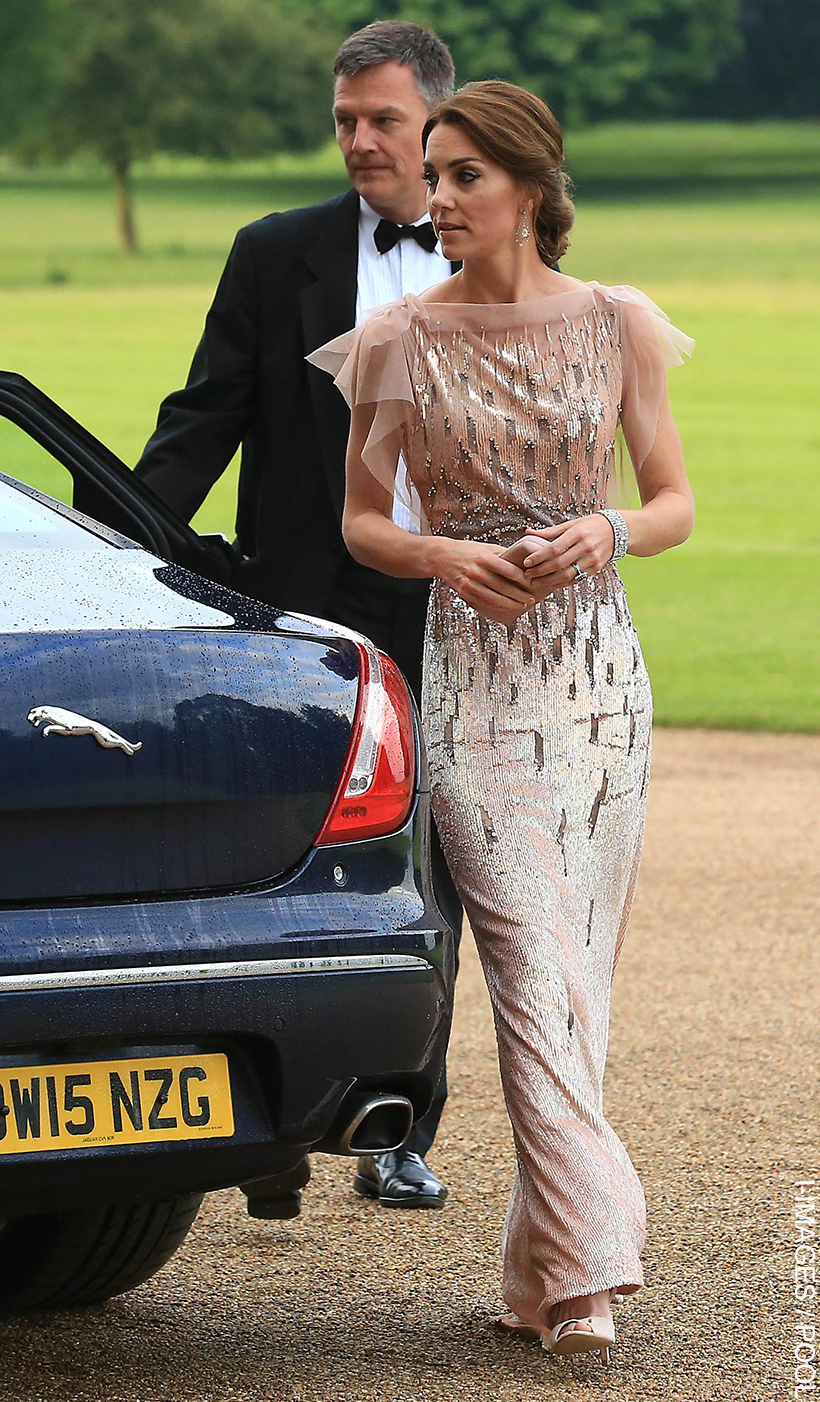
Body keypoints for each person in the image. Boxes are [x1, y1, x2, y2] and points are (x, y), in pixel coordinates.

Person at [309, 80, 694, 1362]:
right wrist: (443, 562)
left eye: (463, 174)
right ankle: (594, 1261)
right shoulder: (396, 342)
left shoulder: (618, 323)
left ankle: (536, 1278)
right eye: (433, 176)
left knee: (576, 983)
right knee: (529, 962)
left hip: (598, 687)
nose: (438, 199)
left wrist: (607, 529)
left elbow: (672, 501)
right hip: (473, 680)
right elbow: (363, 522)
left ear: (530, 186)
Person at [135, 21, 465, 1208]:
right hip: (305, 611)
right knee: (275, 854)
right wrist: (101, 548)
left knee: (430, 862)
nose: (358, 142)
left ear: (439, 121)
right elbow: (201, 421)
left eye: (381, 120)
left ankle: (397, 1123)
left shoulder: (499, 251)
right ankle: (269, 1128)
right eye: (344, 121)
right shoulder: (273, 253)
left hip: (456, 607)